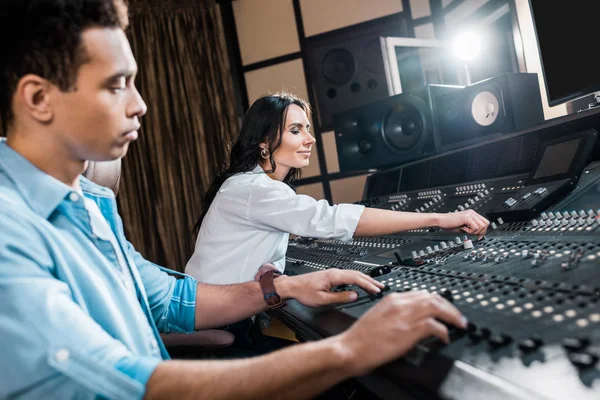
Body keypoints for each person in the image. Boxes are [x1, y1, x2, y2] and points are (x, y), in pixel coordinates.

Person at [0, 1, 468, 399]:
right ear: (39, 98)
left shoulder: (90, 206)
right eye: (117, 84)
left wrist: (281, 289)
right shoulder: (8, 228)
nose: (139, 104)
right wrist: (349, 349)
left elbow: (172, 300)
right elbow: (124, 384)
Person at [185, 92, 490, 285]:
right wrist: (438, 219)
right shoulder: (256, 190)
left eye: (307, 128)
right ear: (264, 144)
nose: (310, 138)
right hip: (220, 323)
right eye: (295, 130)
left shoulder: (247, 185)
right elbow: (334, 220)